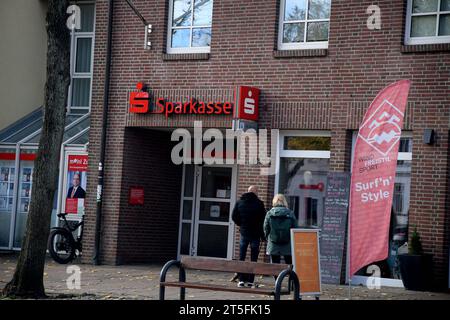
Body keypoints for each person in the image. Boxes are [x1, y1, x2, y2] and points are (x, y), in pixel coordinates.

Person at [232, 185, 266, 288]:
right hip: (255, 235)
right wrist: (262, 236)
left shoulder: (239, 202)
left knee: (241, 257)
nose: (258, 193)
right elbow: (262, 221)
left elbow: (234, 217)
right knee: (254, 259)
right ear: (255, 192)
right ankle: (251, 281)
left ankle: (241, 280)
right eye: (257, 192)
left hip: (244, 233)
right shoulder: (259, 204)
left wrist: (241, 225)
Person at [264, 194, 297, 265]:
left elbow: (266, 228)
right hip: (288, 243)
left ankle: (277, 276)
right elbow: (295, 228)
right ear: (284, 201)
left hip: (273, 242)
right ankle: (290, 276)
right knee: (289, 263)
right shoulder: (290, 213)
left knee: (275, 264)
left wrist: (267, 237)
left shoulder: (269, 213)